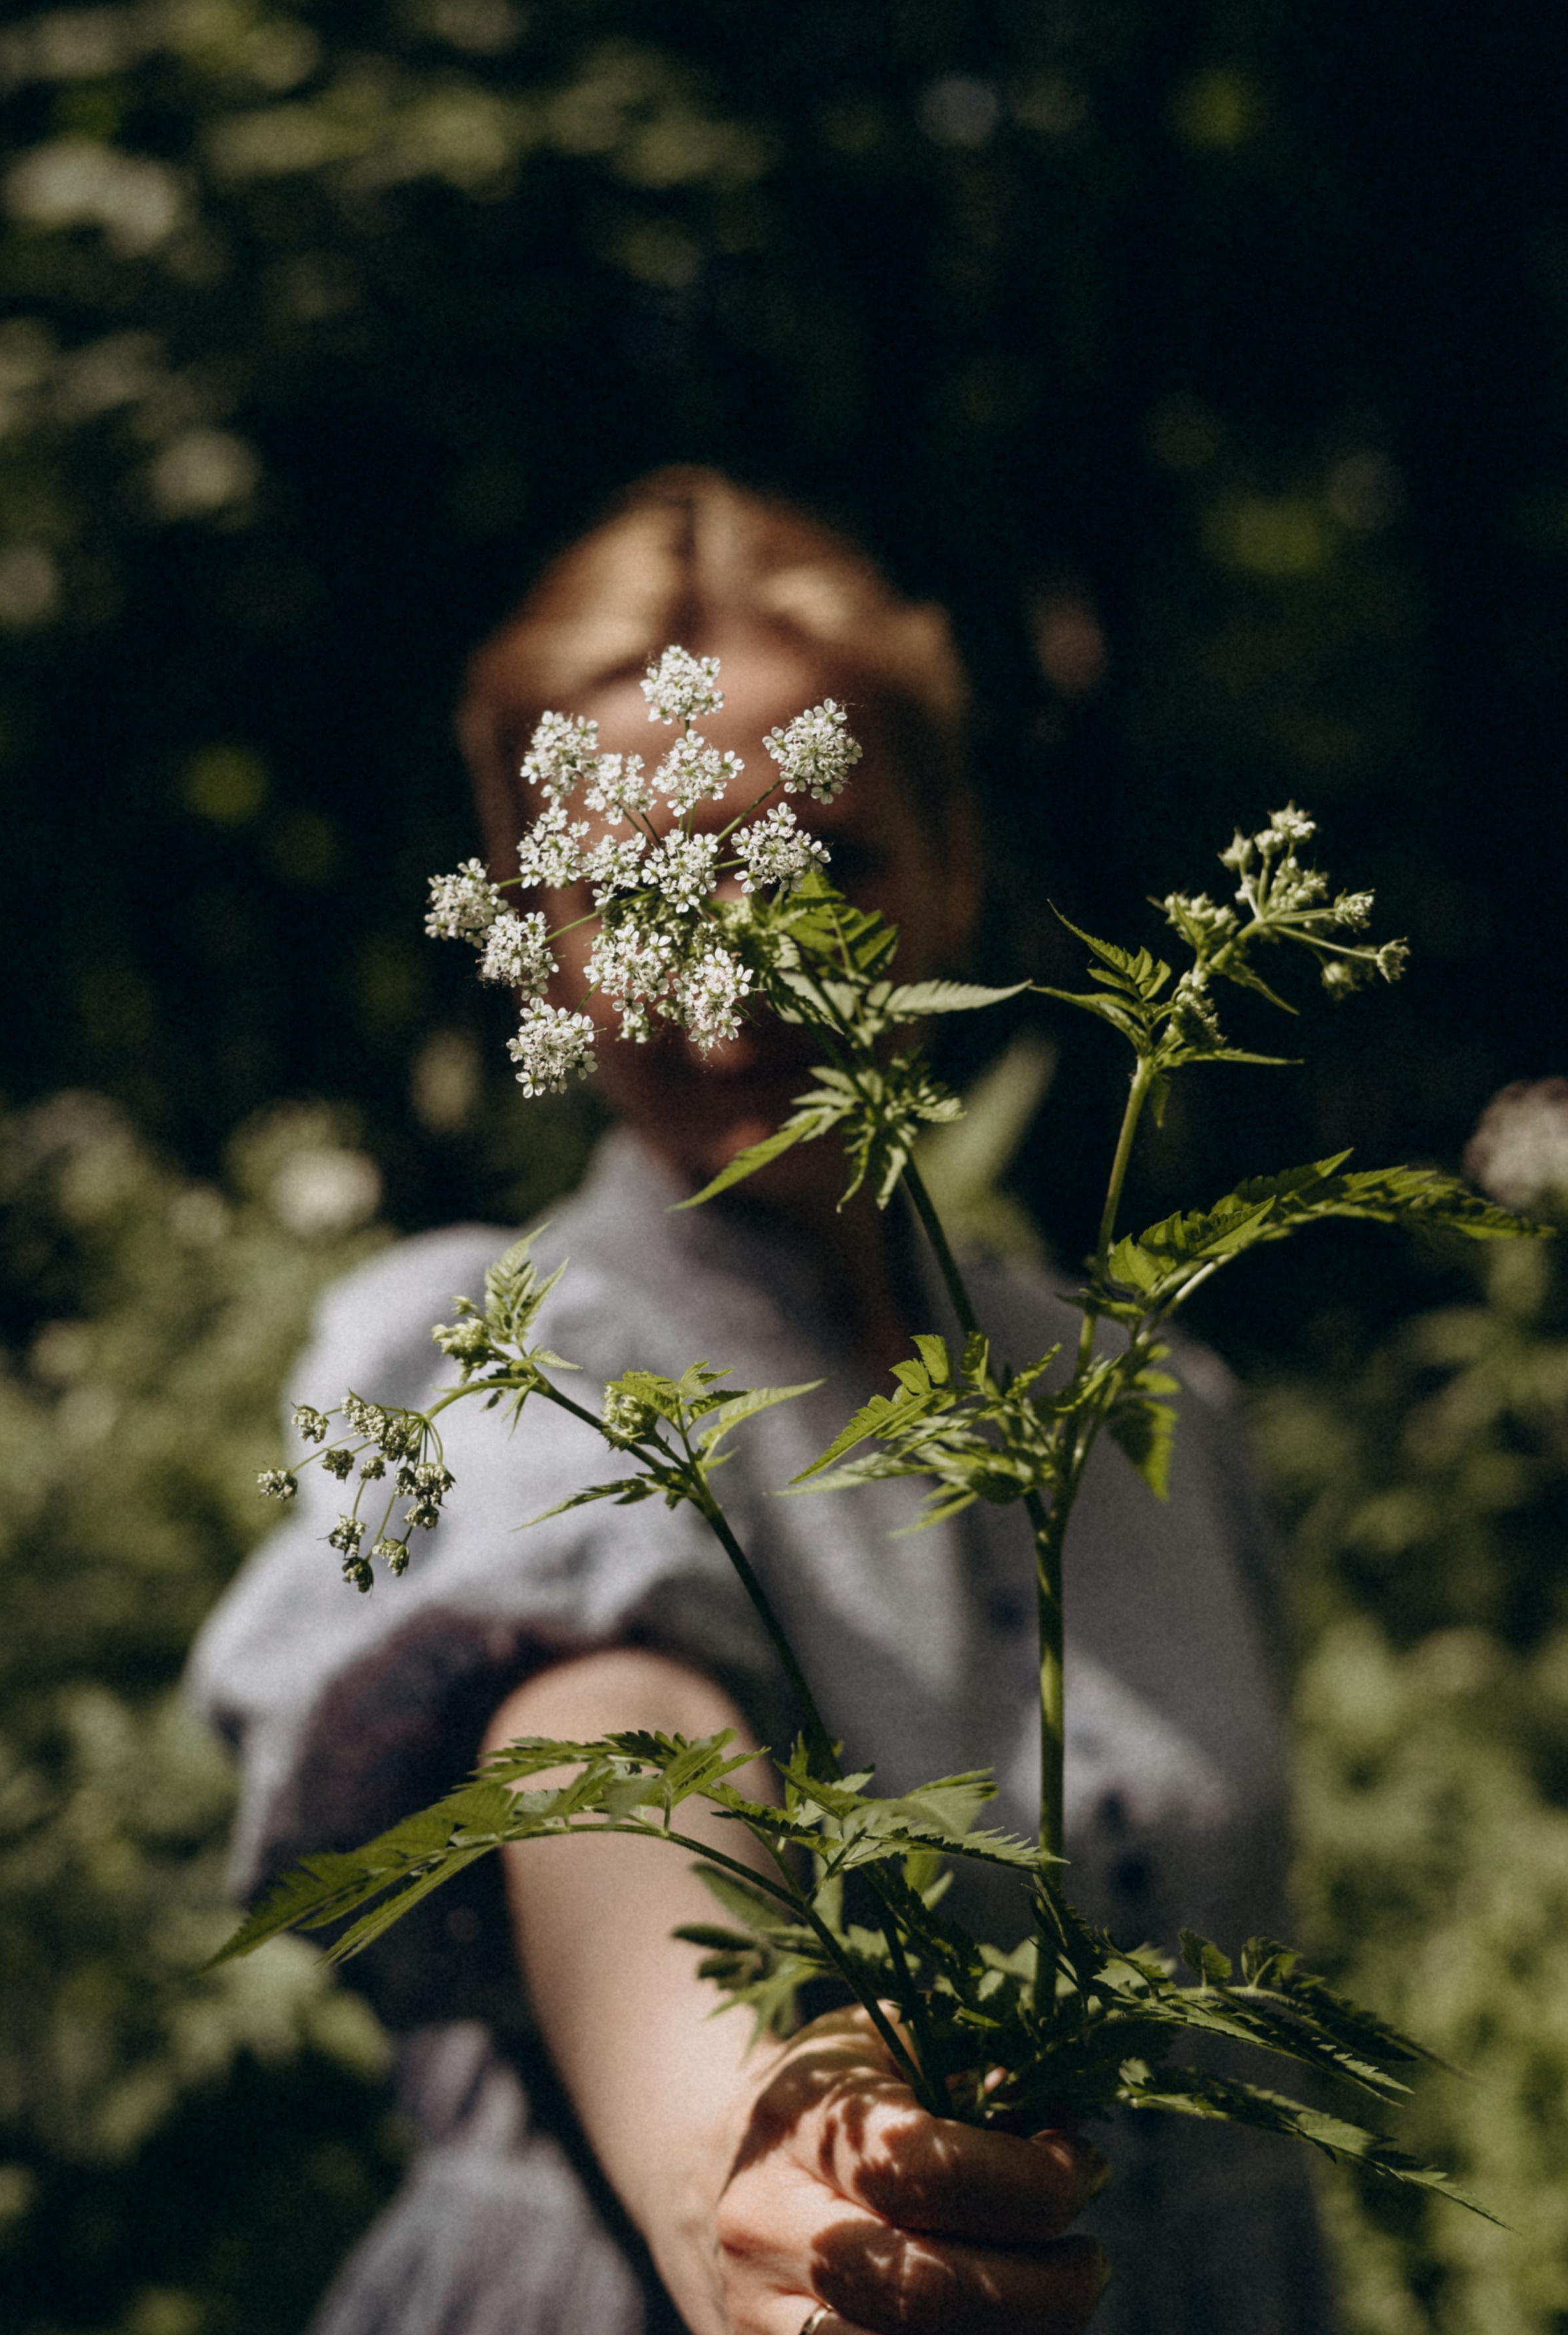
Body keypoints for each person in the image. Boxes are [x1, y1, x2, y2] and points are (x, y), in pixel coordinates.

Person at [190, 469, 1333, 2335]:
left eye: (827, 868)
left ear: (953, 862)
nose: (737, 987)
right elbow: (598, 1726)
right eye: (642, 901)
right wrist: (756, 2146)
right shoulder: (495, 1357)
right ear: (551, 936)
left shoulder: (1148, 1399)